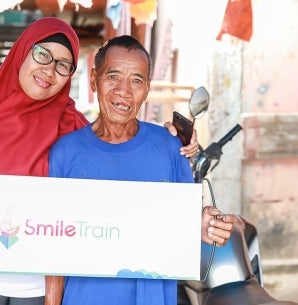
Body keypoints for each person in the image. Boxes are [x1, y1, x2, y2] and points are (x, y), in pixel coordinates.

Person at [0, 18, 198, 305]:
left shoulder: (75, 130)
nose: (49, 70)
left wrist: (171, 143)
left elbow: (117, 182)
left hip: (36, 287)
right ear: (22, 51)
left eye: (63, 65)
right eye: (42, 55)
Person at [48, 35, 237, 305]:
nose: (123, 91)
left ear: (147, 88)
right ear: (93, 80)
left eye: (136, 80)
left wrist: (203, 226)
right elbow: (52, 248)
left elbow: (187, 222)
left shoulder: (170, 147)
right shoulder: (65, 153)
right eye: (113, 76)